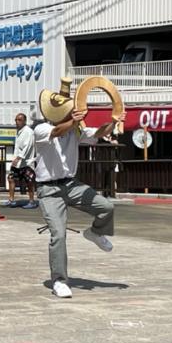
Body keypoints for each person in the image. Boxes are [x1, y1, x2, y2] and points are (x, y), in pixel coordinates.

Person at [34, 105, 126, 298]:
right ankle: (59, 280)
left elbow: (99, 133)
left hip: (71, 185)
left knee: (106, 207)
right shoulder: (41, 128)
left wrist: (114, 121)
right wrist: (74, 121)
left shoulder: (76, 130)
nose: (69, 113)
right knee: (58, 234)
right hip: (49, 190)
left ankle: (95, 232)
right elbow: (58, 131)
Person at [2, 113, 37, 209]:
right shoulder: (18, 131)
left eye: (19, 120)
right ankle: (11, 199)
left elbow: (28, 146)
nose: (17, 122)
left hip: (26, 162)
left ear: (24, 121)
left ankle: (32, 201)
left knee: (29, 181)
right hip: (17, 162)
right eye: (16, 120)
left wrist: (19, 158)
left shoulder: (28, 132)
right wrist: (15, 158)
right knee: (11, 178)